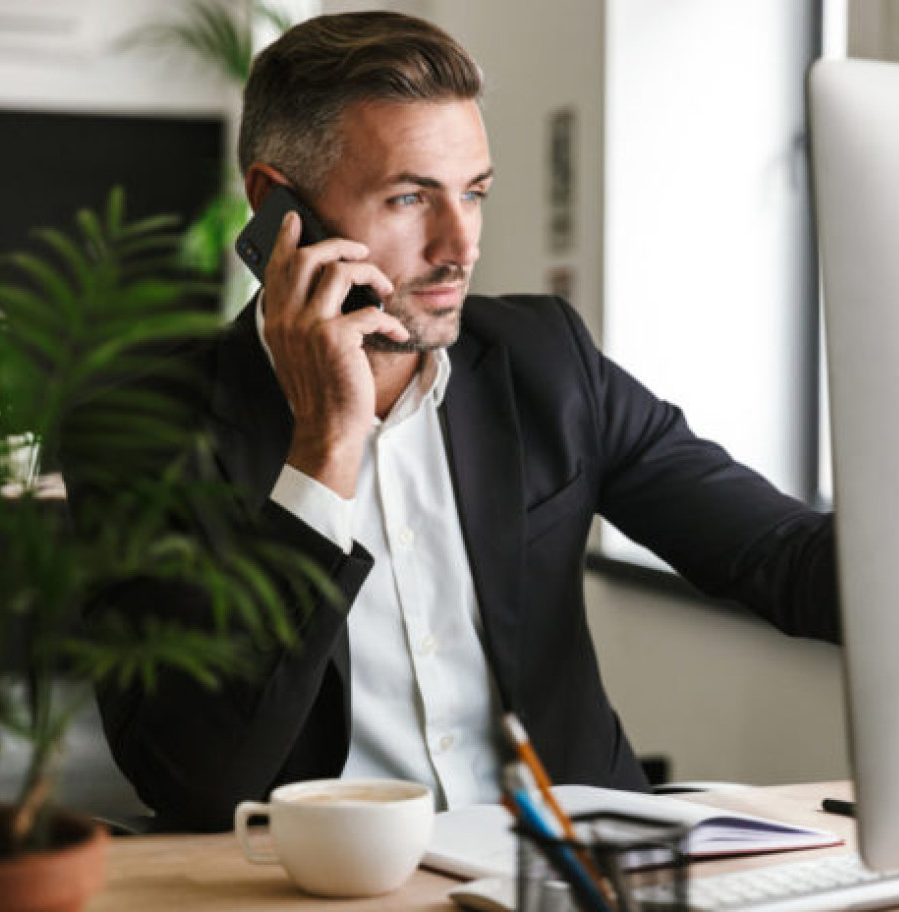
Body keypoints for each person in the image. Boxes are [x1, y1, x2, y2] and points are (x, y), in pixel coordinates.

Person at [65, 11, 837, 833]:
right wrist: (325, 446)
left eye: (472, 193)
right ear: (274, 207)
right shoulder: (140, 425)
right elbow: (198, 780)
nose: (459, 244)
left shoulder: (548, 362)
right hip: (321, 884)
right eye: (409, 197)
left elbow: (782, 561)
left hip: (567, 874)